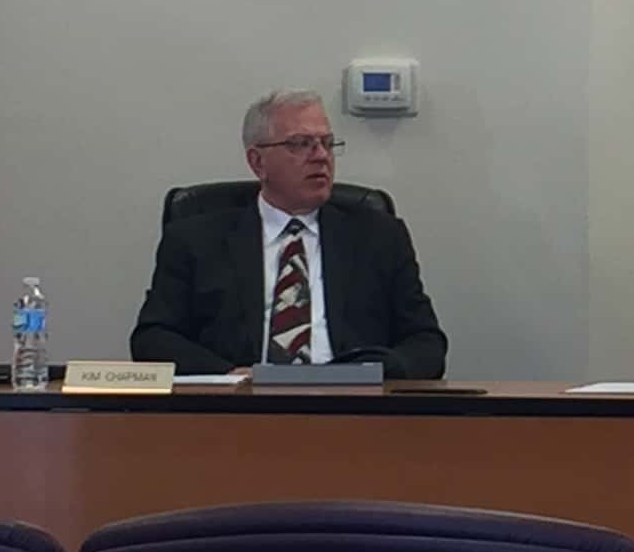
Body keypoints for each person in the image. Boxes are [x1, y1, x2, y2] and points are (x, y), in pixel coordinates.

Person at [130, 91, 447, 378]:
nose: (321, 156)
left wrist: (376, 371)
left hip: (352, 406)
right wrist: (230, 376)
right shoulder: (195, 240)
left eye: (327, 143)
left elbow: (426, 341)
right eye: (301, 144)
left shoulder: (379, 236)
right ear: (258, 162)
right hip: (239, 409)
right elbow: (153, 339)